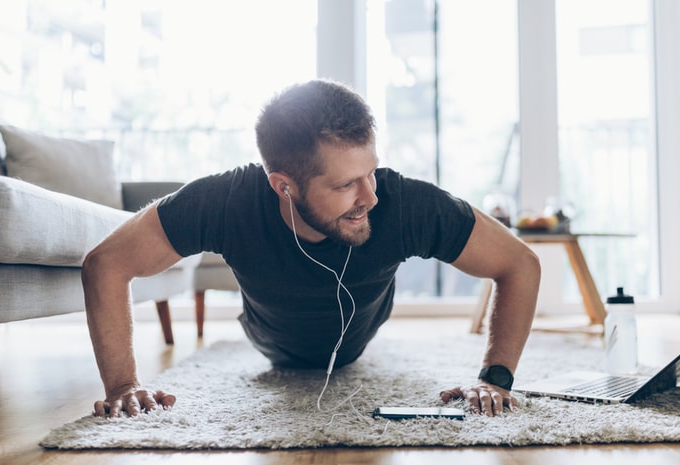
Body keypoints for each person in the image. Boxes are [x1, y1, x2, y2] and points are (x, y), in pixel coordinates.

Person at [82, 79, 541, 419]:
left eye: (371, 172)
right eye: (345, 184)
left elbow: (519, 263)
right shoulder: (226, 201)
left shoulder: (406, 204)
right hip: (269, 338)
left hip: (361, 334)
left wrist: (494, 377)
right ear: (284, 186)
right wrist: (123, 385)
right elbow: (106, 263)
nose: (370, 197)